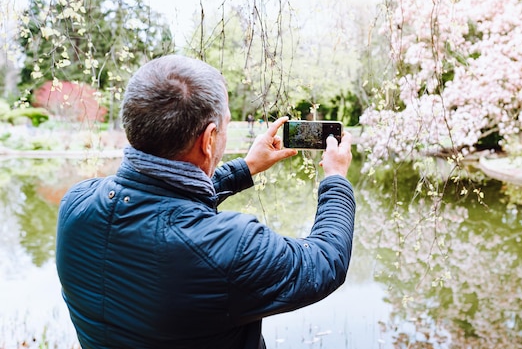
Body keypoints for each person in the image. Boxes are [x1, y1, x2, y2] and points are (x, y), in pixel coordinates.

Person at [55, 54, 355, 349]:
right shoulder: (232, 247)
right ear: (209, 139)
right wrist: (336, 178)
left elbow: (161, 199)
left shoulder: (77, 204)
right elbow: (326, 260)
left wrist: (245, 167)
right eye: (225, 124)